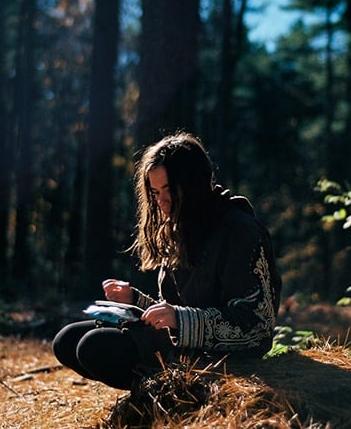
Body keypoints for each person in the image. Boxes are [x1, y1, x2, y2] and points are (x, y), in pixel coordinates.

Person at [52, 131, 282, 390]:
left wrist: (180, 320)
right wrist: (136, 301)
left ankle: (170, 397)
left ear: (195, 183)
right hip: (180, 348)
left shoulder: (240, 231)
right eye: (155, 192)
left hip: (219, 361)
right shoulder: (181, 226)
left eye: (170, 190)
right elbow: (176, 309)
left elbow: (257, 328)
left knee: (94, 347)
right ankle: (157, 393)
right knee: (67, 340)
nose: (161, 201)